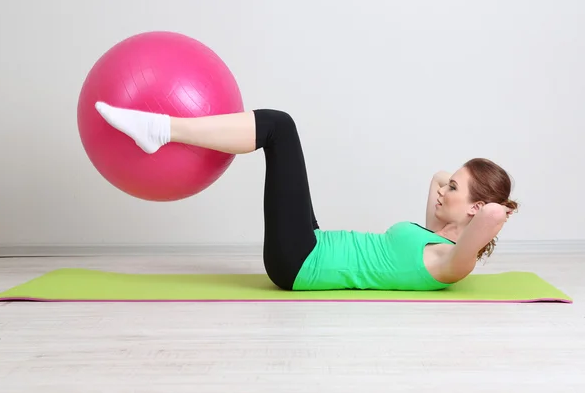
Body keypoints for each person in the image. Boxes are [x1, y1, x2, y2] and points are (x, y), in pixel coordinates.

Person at [94, 102, 518, 291]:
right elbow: (436, 176)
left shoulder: (453, 263)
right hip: (313, 244)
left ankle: (162, 129)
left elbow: (492, 217)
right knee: (282, 128)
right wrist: (460, 186)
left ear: (477, 209)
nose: (444, 190)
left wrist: (490, 207)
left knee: (280, 126)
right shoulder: (435, 235)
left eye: (455, 190)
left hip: (301, 261)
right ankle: (162, 130)